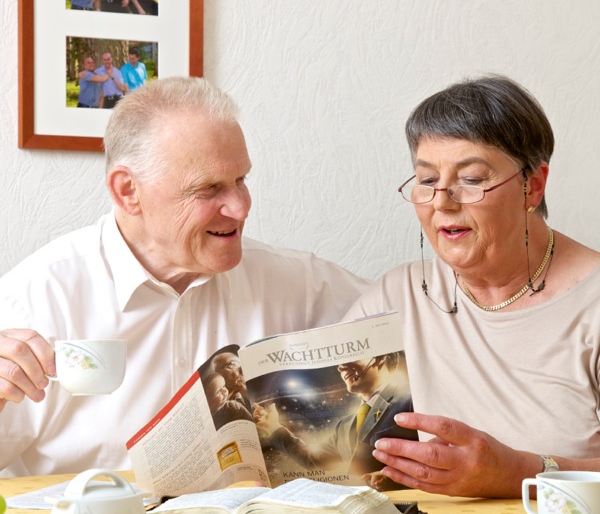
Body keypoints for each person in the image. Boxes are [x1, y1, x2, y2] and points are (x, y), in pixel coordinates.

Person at [0, 76, 371, 477]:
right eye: (209, 189)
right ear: (128, 191)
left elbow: (416, 323)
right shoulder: (36, 299)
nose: (240, 207)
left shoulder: (296, 282)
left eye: (241, 180)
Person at [344, 74, 600, 498]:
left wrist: (517, 473)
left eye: (472, 179)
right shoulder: (396, 298)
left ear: (531, 185)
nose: (443, 201)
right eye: (427, 181)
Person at [253, 352, 415, 487]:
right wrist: (275, 429)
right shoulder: (344, 426)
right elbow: (313, 460)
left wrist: (395, 476)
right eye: (339, 362)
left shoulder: (410, 399)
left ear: (381, 358)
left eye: (352, 355)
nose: (341, 367)